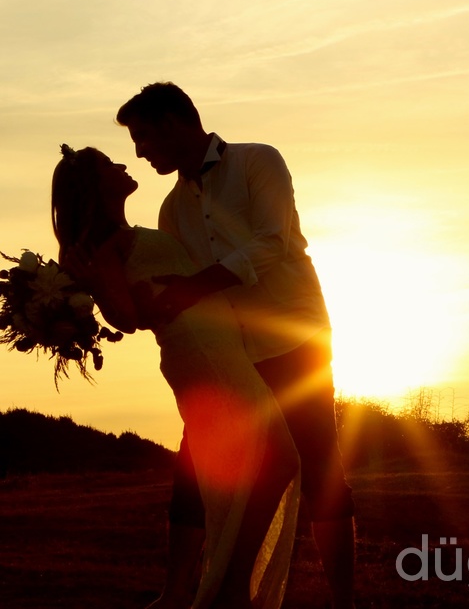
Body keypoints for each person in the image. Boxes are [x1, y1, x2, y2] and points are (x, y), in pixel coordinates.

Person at [116, 82, 357, 609]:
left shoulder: (258, 162)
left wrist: (197, 286)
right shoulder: (171, 210)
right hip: (228, 355)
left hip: (294, 336)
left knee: (319, 465)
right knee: (195, 465)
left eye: (142, 137)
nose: (138, 151)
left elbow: (272, 241)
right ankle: (174, 592)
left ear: (174, 122)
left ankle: (345, 602)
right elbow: (175, 285)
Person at [52, 146, 301, 609]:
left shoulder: (128, 232)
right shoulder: (105, 244)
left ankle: (227, 587)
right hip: (198, 348)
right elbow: (126, 316)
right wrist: (112, 290)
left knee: (260, 462)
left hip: (217, 344)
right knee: (278, 457)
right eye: (110, 165)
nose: (124, 165)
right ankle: (229, 589)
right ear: (94, 184)